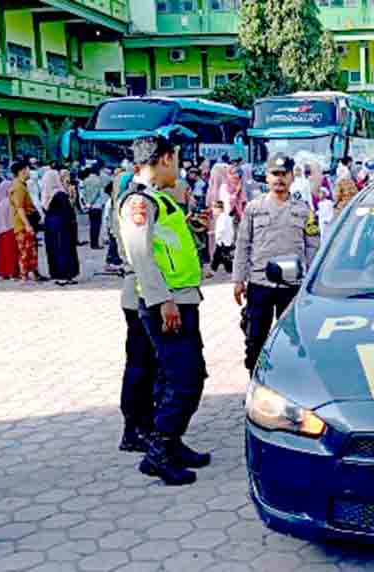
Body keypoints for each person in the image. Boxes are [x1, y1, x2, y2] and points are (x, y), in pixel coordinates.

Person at [119, 136, 209, 487]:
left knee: (189, 374)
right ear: (166, 159)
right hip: (167, 303)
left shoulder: (158, 198)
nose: (179, 168)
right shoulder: (139, 201)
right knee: (183, 379)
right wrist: (162, 301)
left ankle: (172, 442)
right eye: (177, 160)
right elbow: (140, 254)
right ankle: (158, 452)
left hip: (183, 298)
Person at [233, 153, 320, 373]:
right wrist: (238, 280)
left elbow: (313, 247)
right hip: (260, 284)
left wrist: (311, 281)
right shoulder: (254, 208)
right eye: (274, 174)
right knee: (255, 341)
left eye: (284, 174)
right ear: (267, 177)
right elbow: (243, 244)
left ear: (292, 177)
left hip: (292, 286)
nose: (279, 179)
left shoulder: (304, 211)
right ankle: (255, 385)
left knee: (293, 341)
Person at [41, 166, 80, 285]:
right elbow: (68, 210)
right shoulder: (60, 194)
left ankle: (56, 274)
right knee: (63, 249)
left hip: (51, 225)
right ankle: (65, 274)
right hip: (62, 226)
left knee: (53, 249)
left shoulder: (46, 194)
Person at [10, 161, 39, 283]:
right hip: (22, 223)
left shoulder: (21, 185)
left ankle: (32, 273)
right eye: (28, 169)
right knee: (25, 250)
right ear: (22, 171)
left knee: (30, 249)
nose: (29, 172)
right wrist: (27, 225)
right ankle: (24, 276)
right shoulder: (18, 187)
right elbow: (20, 207)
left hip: (23, 222)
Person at [0, 178, 18, 280]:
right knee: (11, 253)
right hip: (10, 230)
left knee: (2, 254)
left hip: (0, 231)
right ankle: (12, 272)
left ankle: (4, 273)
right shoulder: (9, 202)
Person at [81, 168, 107, 249]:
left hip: (89, 206)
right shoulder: (98, 180)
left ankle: (92, 242)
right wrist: (92, 202)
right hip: (96, 205)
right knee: (96, 225)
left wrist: (86, 203)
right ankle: (95, 243)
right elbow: (97, 193)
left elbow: (83, 193)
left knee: (92, 225)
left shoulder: (85, 180)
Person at [210, 201, 235, 275]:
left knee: (223, 257)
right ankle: (214, 271)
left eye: (214, 208)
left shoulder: (221, 218)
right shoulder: (226, 216)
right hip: (226, 241)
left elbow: (221, 229)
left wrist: (217, 237)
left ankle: (230, 271)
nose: (213, 211)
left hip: (222, 242)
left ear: (219, 209)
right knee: (220, 257)